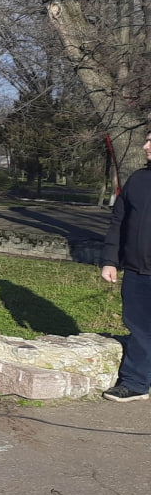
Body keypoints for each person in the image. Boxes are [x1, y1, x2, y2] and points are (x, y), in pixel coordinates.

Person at [99, 130, 151, 403]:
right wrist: (110, 261)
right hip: (137, 273)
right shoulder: (138, 180)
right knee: (140, 329)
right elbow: (118, 222)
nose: (145, 146)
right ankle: (135, 383)